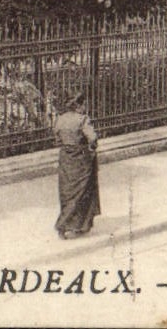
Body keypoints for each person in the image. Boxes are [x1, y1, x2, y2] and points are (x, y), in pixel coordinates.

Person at [54, 90, 100, 239]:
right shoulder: (82, 119)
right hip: (80, 158)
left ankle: (64, 226)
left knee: (67, 192)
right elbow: (92, 137)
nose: (85, 107)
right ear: (78, 105)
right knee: (82, 191)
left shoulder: (60, 119)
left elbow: (57, 139)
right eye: (84, 104)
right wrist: (92, 146)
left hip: (66, 158)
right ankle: (78, 224)